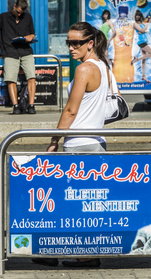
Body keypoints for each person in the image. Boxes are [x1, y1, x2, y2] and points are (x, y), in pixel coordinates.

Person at [36, 22, 113, 269]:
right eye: (68, 42)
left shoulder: (84, 69)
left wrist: (54, 140)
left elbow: (71, 110)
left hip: (79, 144)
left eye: (76, 43)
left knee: (66, 200)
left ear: (90, 43)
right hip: (97, 143)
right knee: (85, 203)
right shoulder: (104, 66)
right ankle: (83, 254)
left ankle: (80, 255)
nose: (70, 47)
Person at [0, 0, 37, 115]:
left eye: (22, 13)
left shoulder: (28, 17)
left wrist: (30, 37)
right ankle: (15, 106)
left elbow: (32, 33)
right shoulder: (3, 17)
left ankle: (31, 105)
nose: (20, 14)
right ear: (14, 6)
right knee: (11, 78)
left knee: (31, 77)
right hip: (9, 51)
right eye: (18, 12)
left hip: (25, 50)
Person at [131, 10, 151, 84]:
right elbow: (142, 30)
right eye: (136, 15)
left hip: (145, 41)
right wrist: (148, 24)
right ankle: (137, 59)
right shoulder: (135, 24)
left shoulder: (141, 23)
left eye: (138, 15)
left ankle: (144, 75)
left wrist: (144, 30)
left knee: (144, 59)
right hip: (141, 42)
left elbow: (145, 30)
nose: (137, 17)